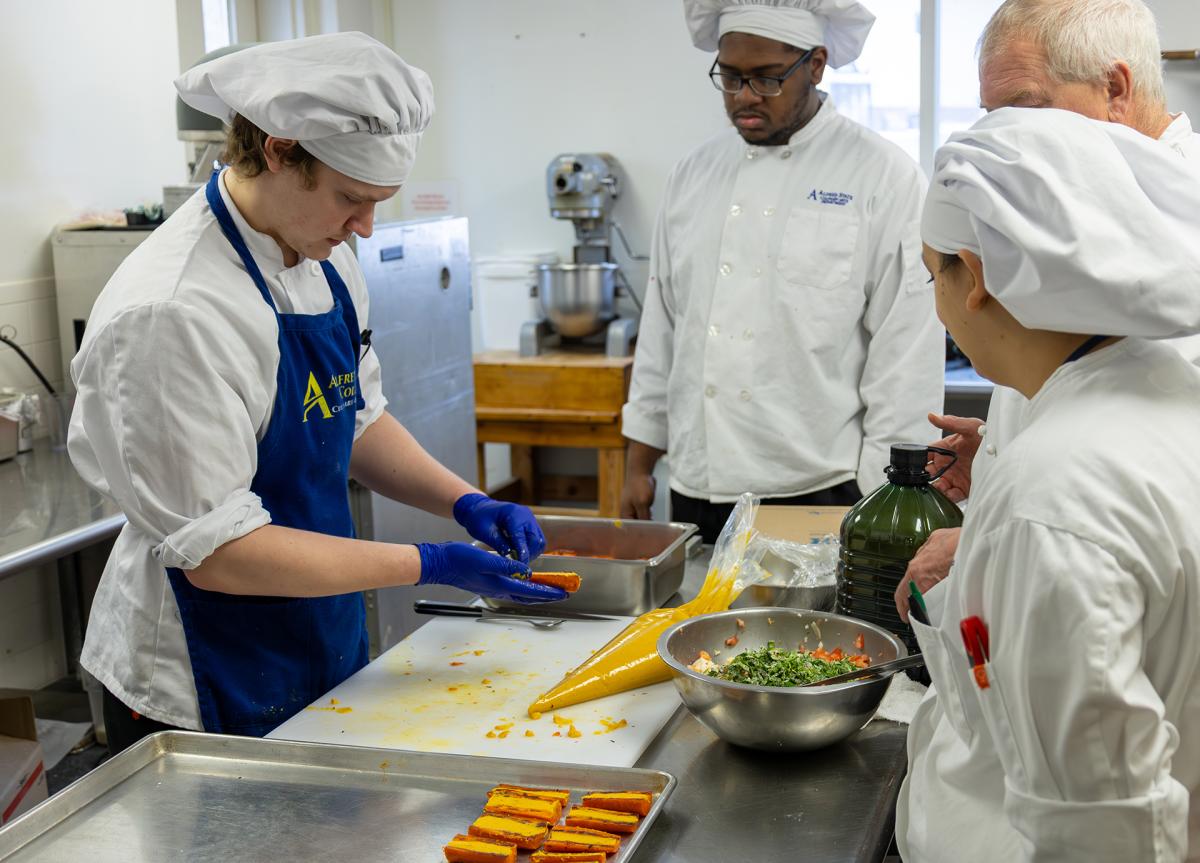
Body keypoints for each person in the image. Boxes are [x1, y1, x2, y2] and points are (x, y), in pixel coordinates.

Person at [68, 33, 564, 753]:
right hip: (201, 680)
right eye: (351, 199)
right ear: (277, 148)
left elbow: (357, 416)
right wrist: (432, 563)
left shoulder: (323, 257)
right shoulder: (174, 312)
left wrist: (465, 500)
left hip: (316, 630)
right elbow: (222, 554)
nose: (365, 227)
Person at [897, 106, 1200, 862]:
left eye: (934, 272)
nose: (934, 298)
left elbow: (1102, 829)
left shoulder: (1055, 494)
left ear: (978, 280)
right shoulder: (1161, 387)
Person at [894, 0, 1200, 620]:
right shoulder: (1071, 204)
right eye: (990, 116)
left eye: (1024, 109)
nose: (1001, 138)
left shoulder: (1177, 229)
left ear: (1115, 88)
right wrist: (1004, 454)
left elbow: (1143, 477)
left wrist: (1003, 534)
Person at [618, 0, 944, 542]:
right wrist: (638, 461)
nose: (744, 96)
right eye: (730, 77)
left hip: (819, 487)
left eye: (767, 79)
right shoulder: (693, 175)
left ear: (816, 65)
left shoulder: (882, 176)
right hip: (697, 482)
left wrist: (883, 500)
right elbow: (664, 329)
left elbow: (905, 355)